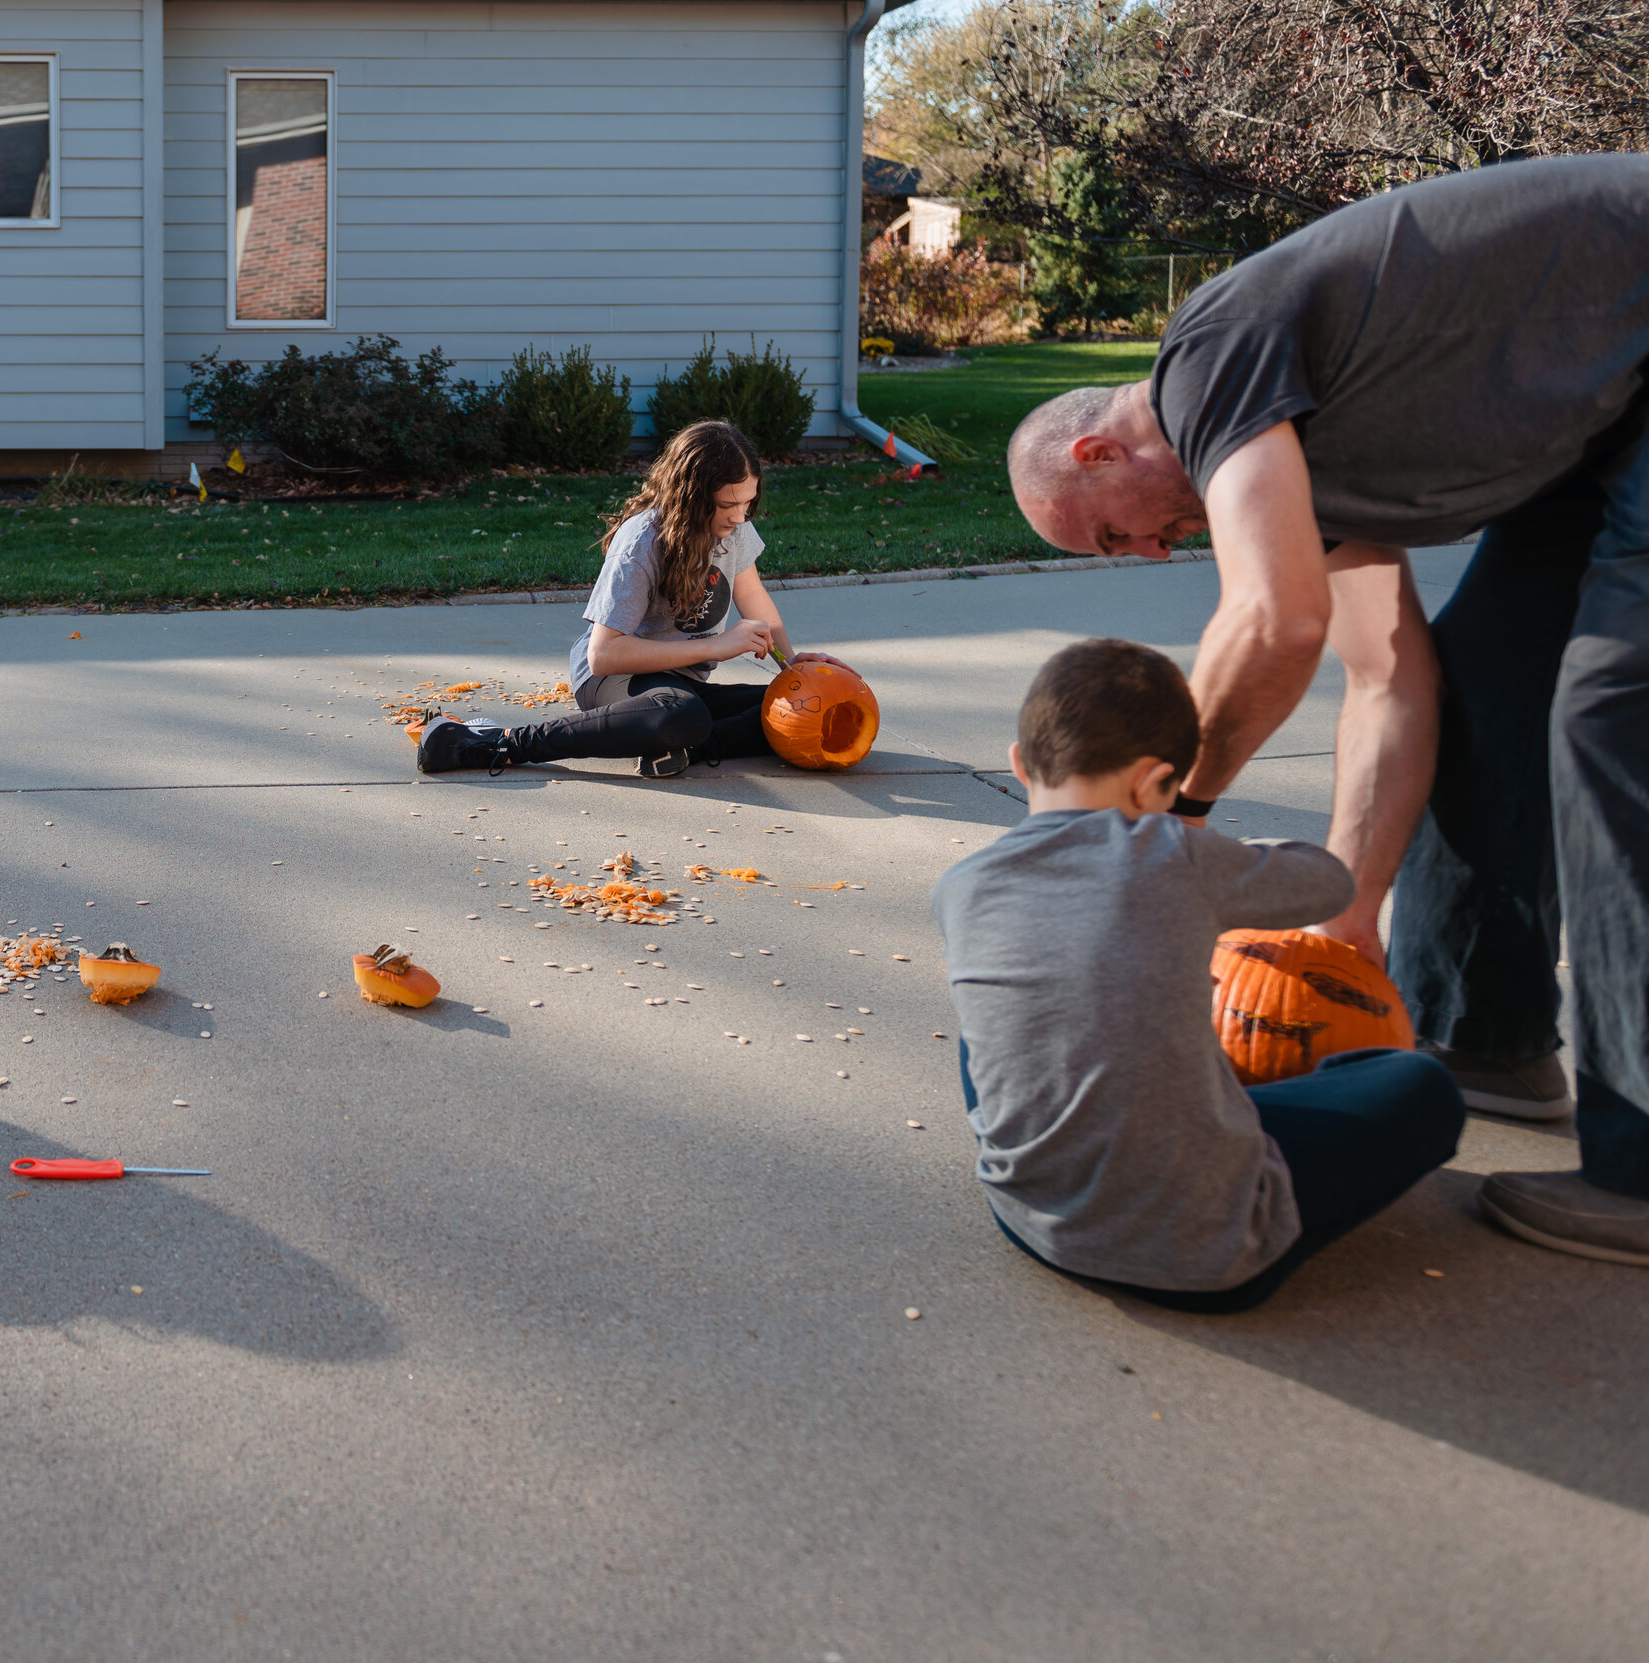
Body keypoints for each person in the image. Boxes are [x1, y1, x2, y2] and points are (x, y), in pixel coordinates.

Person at [1002, 154, 1649, 1265]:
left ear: (1098, 449)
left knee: (1611, 711)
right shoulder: (1295, 463)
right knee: (1482, 681)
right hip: (1598, 426)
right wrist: (1348, 915)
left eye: (1117, 534)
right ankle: (1481, 1034)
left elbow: (1274, 620)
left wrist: (1170, 822)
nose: (1152, 552)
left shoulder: (1204, 356)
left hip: (1624, 369)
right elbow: (1390, 679)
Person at [934, 638, 1465, 1312]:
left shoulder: (961, 886)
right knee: (1422, 1084)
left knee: (999, 1015)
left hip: (1028, 1217)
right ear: (1157, 782)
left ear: (1017, 764)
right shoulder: (1173, 852)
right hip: (1210, 1253)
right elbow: (1329, 882)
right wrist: (1194, 825)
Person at [413, 420, 844, 778]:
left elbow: (754, 595)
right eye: (728, 504)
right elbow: (604, 655)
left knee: (791, 709)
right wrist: (716, 647)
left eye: (748, 503)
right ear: (692, 497)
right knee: (681, 714)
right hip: (611, 680)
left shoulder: (733, 529)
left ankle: (677, 748)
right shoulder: (642, 541)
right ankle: (499, 743)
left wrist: (796, 665)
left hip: (677, 684)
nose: (740, 515)